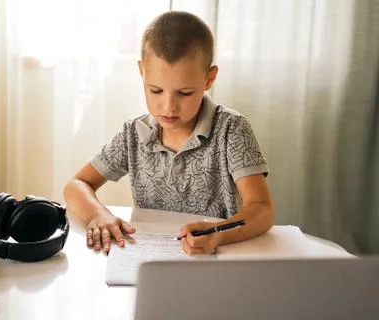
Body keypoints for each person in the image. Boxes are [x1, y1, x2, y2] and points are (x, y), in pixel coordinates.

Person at [63, 11, 274, 255]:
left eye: (184, 93)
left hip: (215, 258)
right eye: (155, 90)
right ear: (142, 72)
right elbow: (76, 185)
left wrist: (217, 234)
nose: (168, 107)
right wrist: (99, 215)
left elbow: (262, 210)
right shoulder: (134, 134)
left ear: (209, 78)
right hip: (150, 258)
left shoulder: (231, 130)